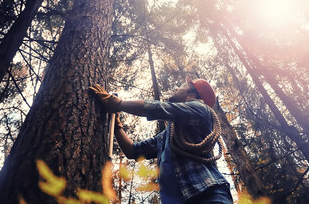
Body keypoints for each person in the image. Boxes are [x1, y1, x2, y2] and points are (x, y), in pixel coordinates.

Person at [89, 77, 233, 204]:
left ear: (191, 95)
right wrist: (117, 127)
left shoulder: (201, 109)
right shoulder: (167, 136)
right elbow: (133, 151)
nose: (177, 88)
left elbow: (161, 109)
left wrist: (117, 104)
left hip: (208, 196)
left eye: (182, 86)